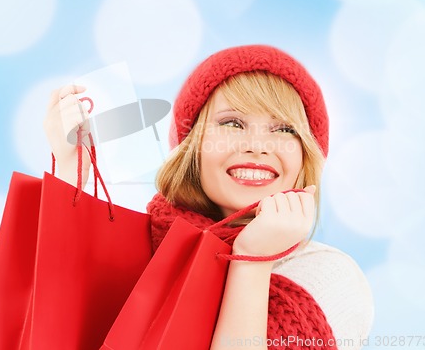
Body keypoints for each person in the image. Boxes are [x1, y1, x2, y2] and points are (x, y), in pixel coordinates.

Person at [44, 45, 374, 350]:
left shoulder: (329, 275)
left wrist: (251, 259)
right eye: (233, 123)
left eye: (284, 129)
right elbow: (53, 324)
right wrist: (70, 178)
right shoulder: (138, 249)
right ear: (194, 147)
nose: (257, 145)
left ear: (306, 155)